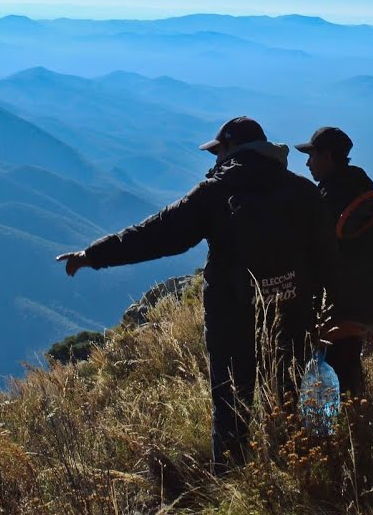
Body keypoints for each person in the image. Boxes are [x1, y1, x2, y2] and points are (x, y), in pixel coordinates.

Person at [57, 116, 337, 470]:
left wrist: (93, 255)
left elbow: (157, 233)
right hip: (292, 311)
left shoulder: (217, 192)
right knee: (288, 391)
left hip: (232, 315)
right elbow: (326, 256)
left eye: (216, 151)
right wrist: (329, 313)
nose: (214, 160)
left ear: (231, 148)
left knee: (232, 402)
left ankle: (233, 483)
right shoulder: (303, 190)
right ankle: (297, 470)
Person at [294, 126, 373, 400]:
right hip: (360, 287)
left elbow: (314, 249)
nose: (307, 163)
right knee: (349, 356)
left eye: (311, 156)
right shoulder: (358, 187)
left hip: (336, 295)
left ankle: (340, 426)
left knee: (334, 360)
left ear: (327, 157)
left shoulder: (330, 197)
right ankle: (357, 412)